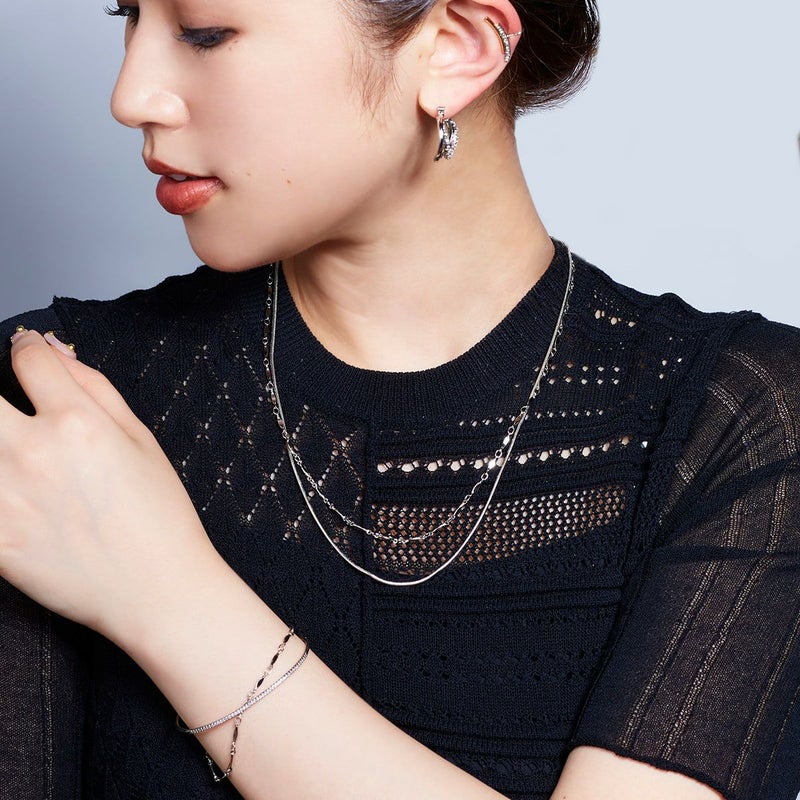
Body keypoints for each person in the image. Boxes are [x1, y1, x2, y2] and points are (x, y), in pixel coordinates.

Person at [0, 1, 798, 799]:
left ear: (455, 48)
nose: (129, 96)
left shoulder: (740, 420)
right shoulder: (53, 412)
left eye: (206, 34)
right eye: (129, 14)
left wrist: (162, 593)